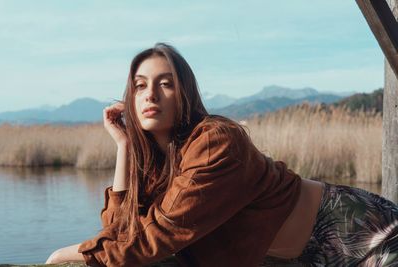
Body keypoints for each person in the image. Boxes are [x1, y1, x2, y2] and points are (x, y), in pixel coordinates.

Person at [45, 43, 398, 267]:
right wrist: (123, 147)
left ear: (185, 93)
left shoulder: (215, 142)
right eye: (139, 86)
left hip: (370, 236)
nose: (150, 94)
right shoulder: (156, 160)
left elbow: (153, 240)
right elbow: (120, 231)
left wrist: (70, 253)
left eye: (165, 83)